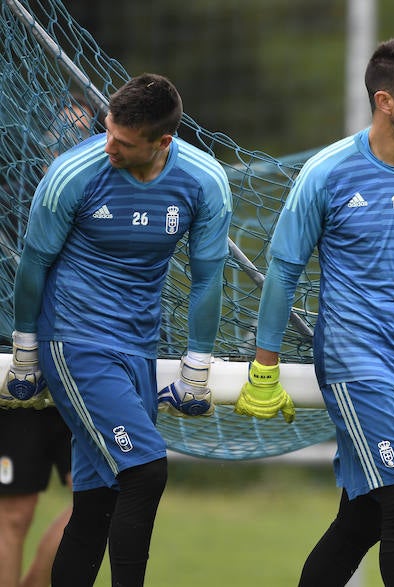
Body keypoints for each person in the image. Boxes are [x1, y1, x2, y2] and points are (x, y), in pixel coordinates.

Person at [233, 37, 394, 587]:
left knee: (364, 517)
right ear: (385, 101)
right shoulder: (327, 172)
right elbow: (282, 269)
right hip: (354, 362)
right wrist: (264, 366)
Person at [3, 73, 233, 586]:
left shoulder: (204, 180)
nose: (108, 145)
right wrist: (24, 350)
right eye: (108, 131)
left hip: (138, 347)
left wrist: (197, 364)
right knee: (146, 470)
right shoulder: (72, 174)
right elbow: (33, 265)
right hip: (76, 340)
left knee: (97, 503)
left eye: (124, 142)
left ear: (162, 142)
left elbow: (206, 279)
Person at [0, 95, 97, 587]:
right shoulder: (12, 199)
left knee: (102, 499)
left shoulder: (107, 204)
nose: (68, 141)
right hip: (16, 368)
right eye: (62, 130)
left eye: (81, 133)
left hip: (81, 365)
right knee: (12, 514)